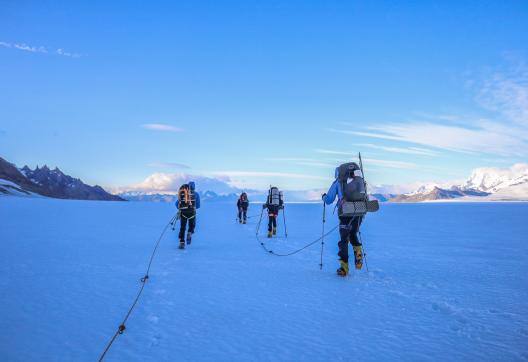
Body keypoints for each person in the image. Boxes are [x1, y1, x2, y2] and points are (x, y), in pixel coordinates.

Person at [323, 163, 366, 276]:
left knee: (343, 240)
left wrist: (323, 197)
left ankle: (344, 268)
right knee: (353, 234)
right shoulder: (359, 181)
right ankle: (358, 254)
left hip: (345, 213)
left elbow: (329, 200)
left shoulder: (338, 182)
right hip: (358, 212)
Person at [175, 181, 201, 249]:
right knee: (192, 225)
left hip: (183, 213)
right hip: (192, 213)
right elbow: (198, 206)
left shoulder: (183, 193)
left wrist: (182, 208)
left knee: (182, 227)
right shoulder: (196, 194)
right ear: (194, 187)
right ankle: (190, 232)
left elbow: (177, 204)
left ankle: (182, 242)